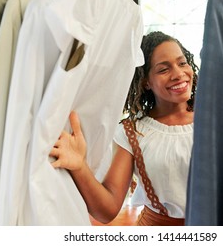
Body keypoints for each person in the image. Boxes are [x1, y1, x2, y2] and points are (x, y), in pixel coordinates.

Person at [49, 31, 199, 226]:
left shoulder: (216, 119)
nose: (179, 74)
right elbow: (107, 210)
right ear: (145, 81)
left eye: (182, 63)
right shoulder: (133, 132)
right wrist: (79, 165)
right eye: (163, 70)